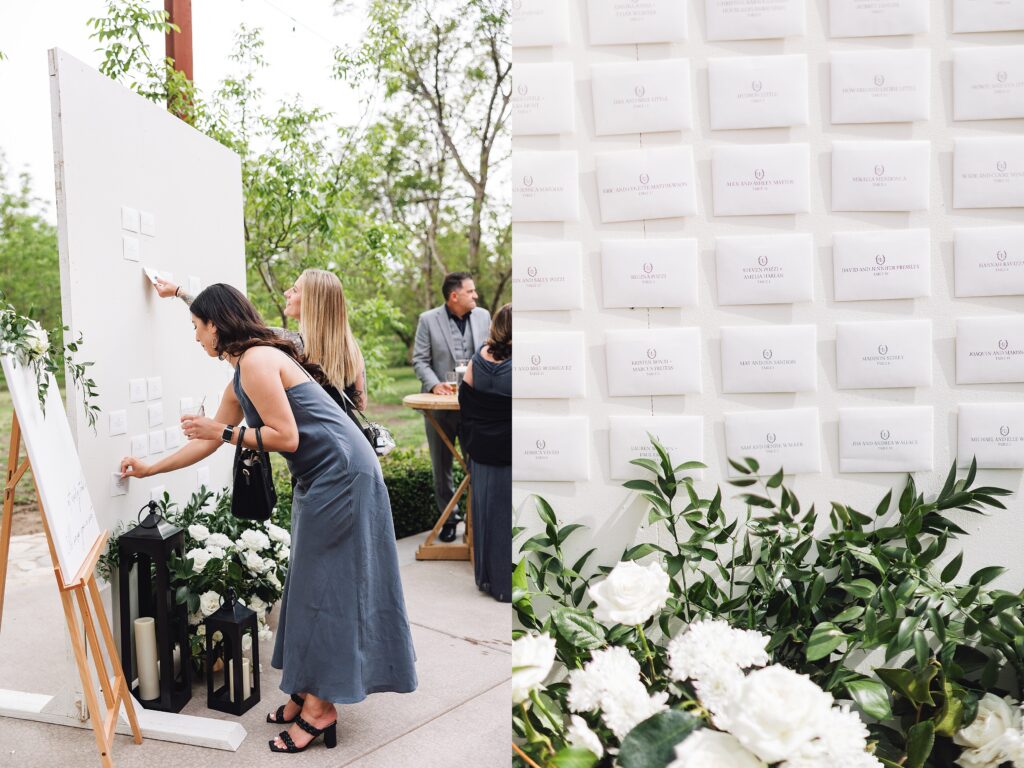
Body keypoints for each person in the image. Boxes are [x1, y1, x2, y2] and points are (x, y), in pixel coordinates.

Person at [120, 283, 416, 753]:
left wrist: (223, 430)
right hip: (321, 478)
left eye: (197, 327)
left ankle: (322, 707)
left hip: (341, 475)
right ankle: (305, 691)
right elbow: (209, 440)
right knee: (305, 585)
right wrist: (150, 467)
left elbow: (287, 437)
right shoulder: (242, 372)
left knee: (327, 589)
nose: (195, 337)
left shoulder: (256, 361)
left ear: (216, 324)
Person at [153, 270, 367, 411]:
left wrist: (180, 292)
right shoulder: (352, 349)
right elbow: (361, 404)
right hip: (349, 446)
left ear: (313, 301)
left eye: (294, 289)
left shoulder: (289, 343)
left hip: (315, 455)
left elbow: (230, 324)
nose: (286, 293)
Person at [412, 272, 491, 543]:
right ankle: (448, 519)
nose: (476, 296)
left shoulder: (483, 316)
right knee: (441, 466)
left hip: (476, 407)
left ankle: (476, 519)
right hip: (440, 408)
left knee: (477, 463)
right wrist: (434, 385)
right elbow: (420, 360)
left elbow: (492, 353)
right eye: (471, 291)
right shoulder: (427, 320)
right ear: (454, 296)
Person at [458, 303, 511, 602]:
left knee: (485, 513)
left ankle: (488, 579)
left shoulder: (477, 360)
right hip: (510, 452)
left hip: (482, 452)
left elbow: (466, 402)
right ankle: (508, 583)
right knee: (507, 517)